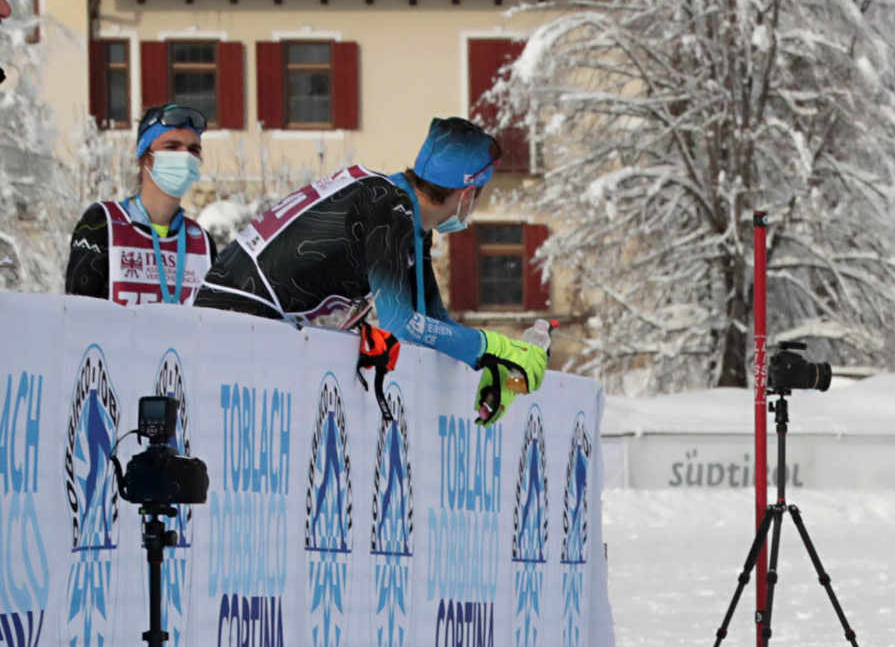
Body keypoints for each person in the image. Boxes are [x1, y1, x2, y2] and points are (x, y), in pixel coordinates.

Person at [198, 117, 547, 425]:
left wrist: (492, 362)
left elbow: (433, 319)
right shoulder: (389, 208)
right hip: (233, 314)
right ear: (469, 193)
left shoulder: (408, 216)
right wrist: (490, 345)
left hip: (252, 316)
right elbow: (402, 325)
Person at [64, 103, 215, 306]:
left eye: (194, 149)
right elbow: (77, 316)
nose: (185, 156)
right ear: (145, 156)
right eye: (171, 147)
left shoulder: (202, 243)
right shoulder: (102, 223)